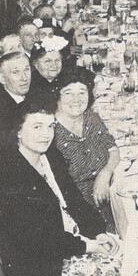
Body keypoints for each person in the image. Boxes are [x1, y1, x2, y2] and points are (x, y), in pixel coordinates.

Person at [0, 97, 120, 276]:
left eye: (50, 126)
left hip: (69, 240)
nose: (46, 134)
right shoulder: (9, 176)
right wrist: (88, 246)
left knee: (124, 249)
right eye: (36, 127)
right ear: (18, 131)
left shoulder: (50, 158)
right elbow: (40, 239)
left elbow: (75, 201)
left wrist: (98, 232)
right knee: (117, 266)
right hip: (41, 265)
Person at [52, 67, 119, 232]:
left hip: (109, 194)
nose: (76, 99)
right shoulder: (50, 132)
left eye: (82, 92)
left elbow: (113, 149)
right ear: (58, 97)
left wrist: (105, 173)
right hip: (80, 210)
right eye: (68, 93)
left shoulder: (90, 117)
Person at [0, 52, 32, 149]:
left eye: (26, 70)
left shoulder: (31, 98)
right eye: (16, 72)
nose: (24, 78)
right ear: (2, 79)